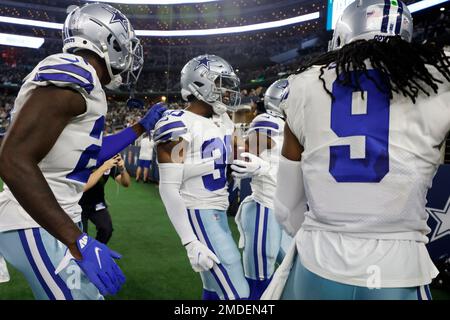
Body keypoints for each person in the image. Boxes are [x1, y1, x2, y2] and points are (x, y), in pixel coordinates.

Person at [264, 0, 450, 300]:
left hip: (317, 261)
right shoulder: (437, 78)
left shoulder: (304, 84)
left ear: (343, 34)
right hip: (397, 268)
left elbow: (286, 208)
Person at [0, 3, 164, 300]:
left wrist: (140, 127)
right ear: (108, 42)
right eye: (125, 45)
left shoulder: (89, 87)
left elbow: (91, 152)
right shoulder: (76, 73)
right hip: (34, 222)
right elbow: (12, 158)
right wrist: (76, 238)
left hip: (51, 219)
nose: (129, 55)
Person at [155, 55, 250, 300]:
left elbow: (231, 158)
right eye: (221, 83)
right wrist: (189, 242)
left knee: (214, 289)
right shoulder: (178, 122)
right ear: (201, 84)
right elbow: (168, 188)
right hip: (199, 211)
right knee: (238, 295)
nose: (227, 90)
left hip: (219, 210)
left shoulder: (223, 121)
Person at [231, 79, 292, 299]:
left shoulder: (294, 125)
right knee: (259, 282)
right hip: (265, 210)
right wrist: (263, 167)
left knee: (288, 275)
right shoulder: (269, 122)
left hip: (286, 212)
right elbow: (242, 157)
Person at [80, 154, 130, 244]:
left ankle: (96, 251)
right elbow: (83, 187)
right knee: (81, 238)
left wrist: (122, 169)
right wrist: (104, 167)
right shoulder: (84, 155)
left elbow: (126, 183)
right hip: (77, 203)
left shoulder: (108, 157)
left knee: (106, 230)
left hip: (97, 203)